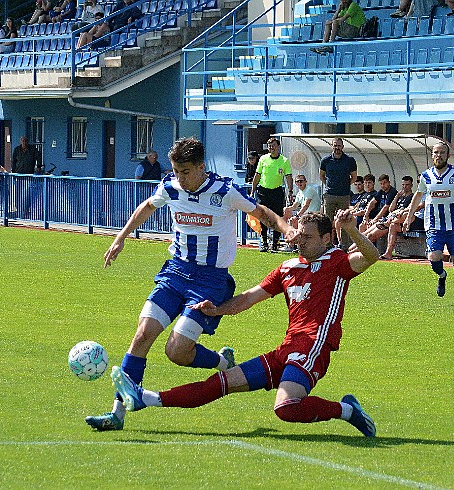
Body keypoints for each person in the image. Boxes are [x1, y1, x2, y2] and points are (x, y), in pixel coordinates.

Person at [84, 137, 296, 431]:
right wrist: (120, 238)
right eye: (176, 171)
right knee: (143, 334)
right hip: (175, 272)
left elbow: (261, 213)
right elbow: (147, 206)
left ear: (200, 167)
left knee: (177, 351)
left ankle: (223, 363)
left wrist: (287, 228)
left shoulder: (224, 192)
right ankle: (117, 413)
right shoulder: (170, 186)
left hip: (209, 280)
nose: (179, 178)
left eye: (185, 172)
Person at [109, 210, 379, 438]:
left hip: (313, 347)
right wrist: (216, 310)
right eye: (299, 235)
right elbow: (248, 298)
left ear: (326, 238)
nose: (301, 242)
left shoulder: (337, 263)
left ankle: (346, 410)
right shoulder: (287, 268)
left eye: (308, 237)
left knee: (285, 408)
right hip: (285, 349)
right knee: (220, 383)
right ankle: (145, 398)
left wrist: (352, 231)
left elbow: (371, 256)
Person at [403, 142, 454, 307]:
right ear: (432, 155)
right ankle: (442, 274)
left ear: (448, 156)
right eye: (436, 152)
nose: (439, 155)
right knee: (434, 257)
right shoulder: (426, 176)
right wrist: (409, 216)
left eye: (442, 153)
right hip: (433, 224)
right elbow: (418, 195)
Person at [251, 137, 293, 252]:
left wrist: (290, 191)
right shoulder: (263, 159)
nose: (272, 148)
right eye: (270, 146)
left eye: (274, 145)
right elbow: (257, 175)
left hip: (277, 191)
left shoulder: (284, 161)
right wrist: (252, 190)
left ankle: (275, 244)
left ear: (278, 147)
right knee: (263, 216)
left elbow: (288, 176)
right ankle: (264, 242)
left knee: (278, 217)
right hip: (263, 191)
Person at [319, 137, 357, 248]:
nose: (337, 148)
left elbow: (354, 177)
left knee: (344, 220)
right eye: (335, 145)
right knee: (327, 222)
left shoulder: (349, 160)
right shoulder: (325, 160)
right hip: (329, 195)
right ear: (332, 146)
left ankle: (345, 245)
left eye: (339, 146)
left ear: (343, 147)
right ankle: (327, 244)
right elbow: (321, 176)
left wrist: (344, 185)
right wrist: (329, 185)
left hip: (344, 195)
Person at [361, 175, 414, 245]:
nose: (404, 187)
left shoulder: (410, 197)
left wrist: (375, 219)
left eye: (407, 185)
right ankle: (352, 251)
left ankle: (363, 251)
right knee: (364, 231)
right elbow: (391, 209)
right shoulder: (400, 196)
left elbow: (387, 208)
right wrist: (397, 196)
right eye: (403, 185)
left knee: (369, 236)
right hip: (387, 219)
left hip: (393, 222)